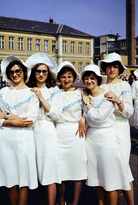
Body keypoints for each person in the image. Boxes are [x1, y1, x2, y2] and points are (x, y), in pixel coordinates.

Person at [0, 56, 39, 205]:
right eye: (11, 72)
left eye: (18, 71)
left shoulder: (32, 93)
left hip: (24, 139)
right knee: (10, 181)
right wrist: (14, 121)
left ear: (24, 72)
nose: (15, 74)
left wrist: (6, 116)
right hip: (5, 140)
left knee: (23, 181)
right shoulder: (3, 92)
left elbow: (31, 120)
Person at [80, 64, 131, 205]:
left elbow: (97, 119)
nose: (89, 81)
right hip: (91, 141)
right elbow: (87, 117)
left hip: (107, 140)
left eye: (92, 78)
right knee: (97, 178)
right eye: (86, 79)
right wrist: (83, 118)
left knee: (111, 179)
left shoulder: (106, 95)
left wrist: (88, 104)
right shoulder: (86, 95)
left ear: (98, 79)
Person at [25, 53, 63, 205]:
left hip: (47, 131)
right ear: (34, 73)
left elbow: (56, 115)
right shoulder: (27, 90)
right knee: (37, 171)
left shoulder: (55, 91)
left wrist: (41, 97)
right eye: (38, 71)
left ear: (49, 73)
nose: (41, 74)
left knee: (49, 171)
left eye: (44, 71)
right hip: (31, 132)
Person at [99, 52, 134, 205]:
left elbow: (128, 112)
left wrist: (117, 100)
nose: (112, 70)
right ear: (104, 68)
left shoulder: (125, 85)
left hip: (120, 131)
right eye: (109, 67)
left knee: (124, 170)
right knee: (109, 170)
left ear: (119, 69)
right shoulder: (100, 86)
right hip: (105, 132)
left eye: (115, 67)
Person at [56, 61, 87, 205]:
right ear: (59, 78)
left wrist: (83, 118)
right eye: (63, 77)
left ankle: (74, 203)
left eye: (69, 76)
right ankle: (61, 202)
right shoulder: (55, 94)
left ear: (73, 77)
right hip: (59, 135)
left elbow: (89, 111)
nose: (66, 80)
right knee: (60, 172)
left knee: (77, 171)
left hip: (76, 135)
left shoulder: (81, 93)